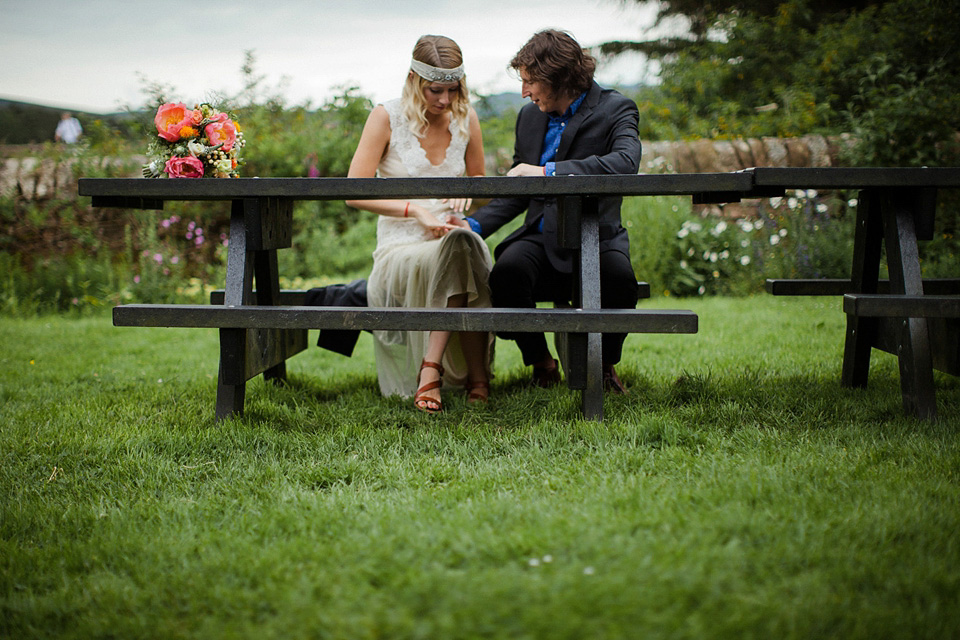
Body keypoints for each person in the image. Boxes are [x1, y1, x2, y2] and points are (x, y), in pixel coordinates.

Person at [458, 29, 642, 394]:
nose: (525, 92)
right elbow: (518, 192)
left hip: (597, 234)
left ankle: (603, 365)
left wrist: (547, 172)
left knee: (621, 281)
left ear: (558, 77)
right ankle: (541, 361)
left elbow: (625, 163)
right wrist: (470, 225)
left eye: (530, 82)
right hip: (540, 235)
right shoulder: (528, 117)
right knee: (506, 275)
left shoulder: (616, 108)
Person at [344, 34, 492, 413]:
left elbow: (483, 185)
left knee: (464, 243)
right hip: (401, 248)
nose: (445, 100)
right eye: (435, 90)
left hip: (451, 234)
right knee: (464, 251)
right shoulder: (385, 117)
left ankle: (439, 371)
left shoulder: (466, 118)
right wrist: (416, 211)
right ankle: (464, 376)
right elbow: (354, 192)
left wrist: (467, 198)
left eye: (453, 89)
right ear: (414, 79)